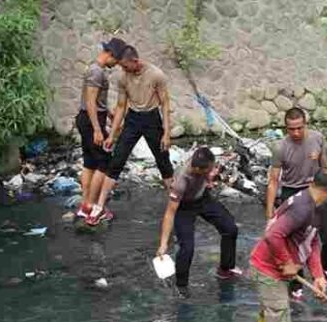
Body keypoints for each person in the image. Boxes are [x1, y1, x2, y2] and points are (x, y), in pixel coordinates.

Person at [249, 168, 327, 322]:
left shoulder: (316, 204)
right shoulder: (302, 208)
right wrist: (287, 262)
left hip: (274, 267)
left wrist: (318, 275)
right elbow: (272, 234)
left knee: (271, 312)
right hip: (268, 269)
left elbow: (312, 240)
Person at [86, 45, 174, 226]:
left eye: (126, 66)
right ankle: (99, 206)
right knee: (116, 160)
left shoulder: (156, 75)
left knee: (163, 160)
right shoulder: (122, 77)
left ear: (136, 61)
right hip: (132, 119)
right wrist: (112, 135)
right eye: (121, 67)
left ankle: (175, 202)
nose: (123, 70)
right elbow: (120, 107)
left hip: (152, 119)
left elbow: (165, 104)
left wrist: (166, 133)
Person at [265, 107, 327, 289]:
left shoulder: (317, 138)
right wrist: (270, 210)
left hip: (316, 191)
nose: (296, 132)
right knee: (295, 242)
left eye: (299, 128)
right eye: (291, 129)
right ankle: (296, 285)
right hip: (292, 192)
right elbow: (273, 181)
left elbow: (325, 167)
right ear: (286, 128)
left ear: (306, 125)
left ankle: (323, 269)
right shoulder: (280, 148)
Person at [156, 146, 242, 297]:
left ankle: (225, 269)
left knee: (230, 228)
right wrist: (163, 244)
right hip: (184, 207)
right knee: (187, 248)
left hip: (203, 198)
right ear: (198, 169)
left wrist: (209, 179)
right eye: (208, 170)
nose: (211, 170)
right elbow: (170, 213)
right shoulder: (181, 181)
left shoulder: (205, 161)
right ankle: (181, 286)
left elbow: (210, 170)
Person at [75, 37, 127, 221]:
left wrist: (110, 114)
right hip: (91, 121)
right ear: (111, 54)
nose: (117, 63)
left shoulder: (95, 69)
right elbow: (90, 102)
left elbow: (96, 102)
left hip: (88, 119)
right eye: (117, 59)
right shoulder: (97, 72)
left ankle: (84, 205)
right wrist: (97, 129)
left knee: (90, 163)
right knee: (104, 162)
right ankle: (92, 206)